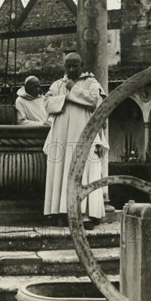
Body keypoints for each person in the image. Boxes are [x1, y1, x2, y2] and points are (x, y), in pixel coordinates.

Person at [43, 52, 108, 229]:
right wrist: (66, 96)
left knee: (85, 172)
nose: (71, 69)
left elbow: (95, 102)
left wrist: (73, 89)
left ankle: (85, 215)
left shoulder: (91, 83)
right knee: (61, 172)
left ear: (82, 65)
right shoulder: (57, 85)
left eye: (75, 65)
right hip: (61, 138)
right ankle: (61, 212)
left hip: (84, 136)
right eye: (68, 66)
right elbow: (47, 104)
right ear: (64, 67)